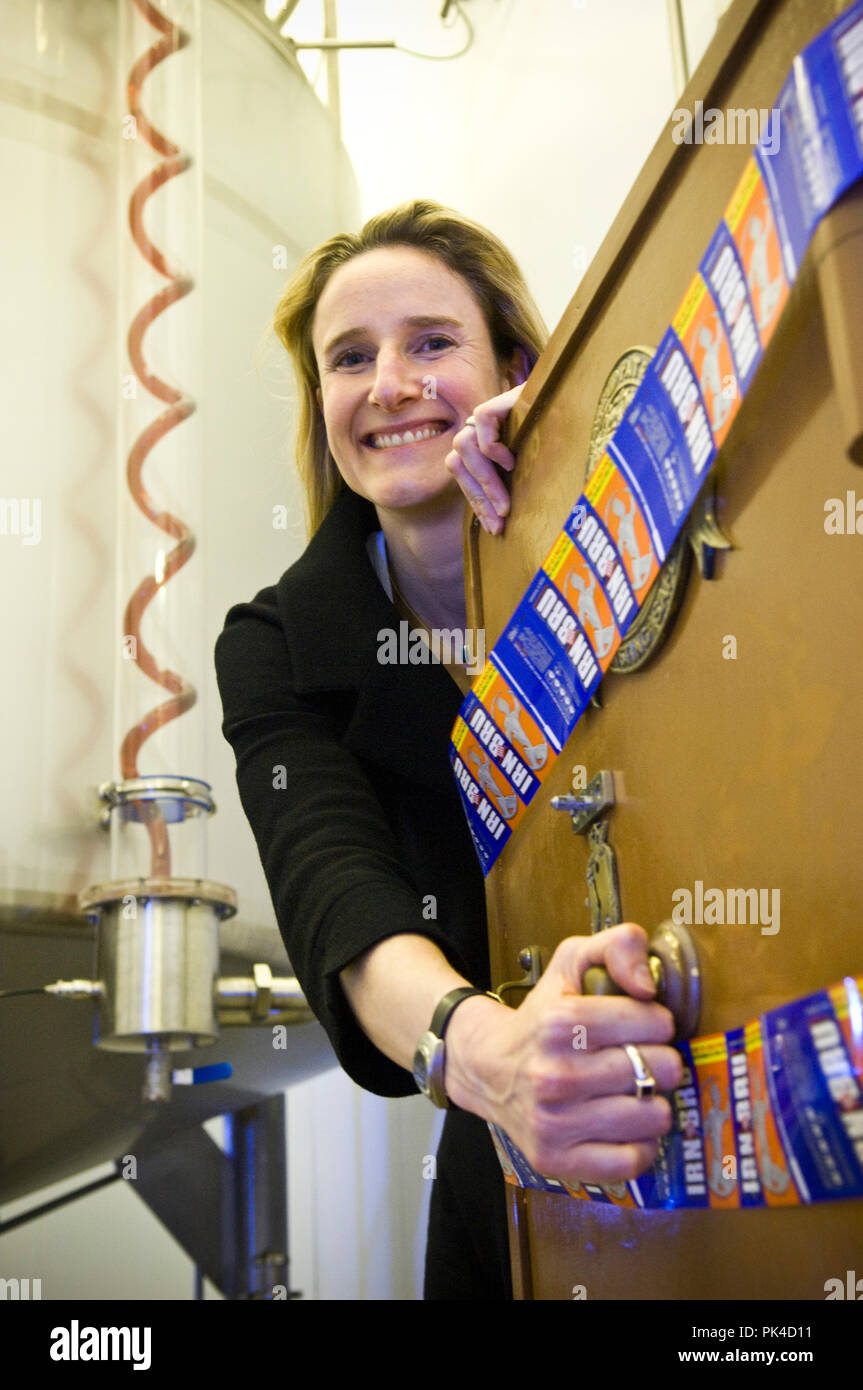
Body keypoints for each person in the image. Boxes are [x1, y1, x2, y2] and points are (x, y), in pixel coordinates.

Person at [214, 199, 683, 1300]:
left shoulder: (637, 527)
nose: (389, 383)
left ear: (516, 363)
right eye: (349, 358)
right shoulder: (279, 644)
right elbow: (338, 889)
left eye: (432, 342)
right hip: (514, 1150)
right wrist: (484, 1050)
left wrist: (577, 468)